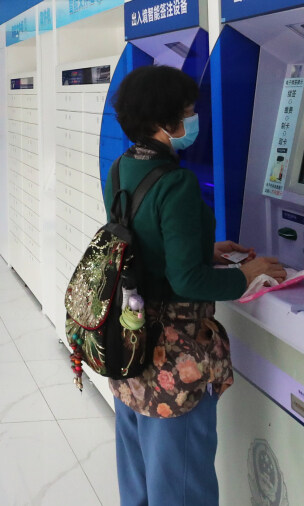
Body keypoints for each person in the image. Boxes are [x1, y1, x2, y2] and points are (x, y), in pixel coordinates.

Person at [104, 64, 286, 506]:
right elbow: (186, 279)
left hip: (131, 343)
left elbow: (142, 244)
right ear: (165, 121)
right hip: (174, 358)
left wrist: (205, 248)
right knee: (183, 486)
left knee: (140, 479)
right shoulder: (177, 182)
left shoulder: (122, 168)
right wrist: (247, 274)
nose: (193, 118)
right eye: (187, 111)